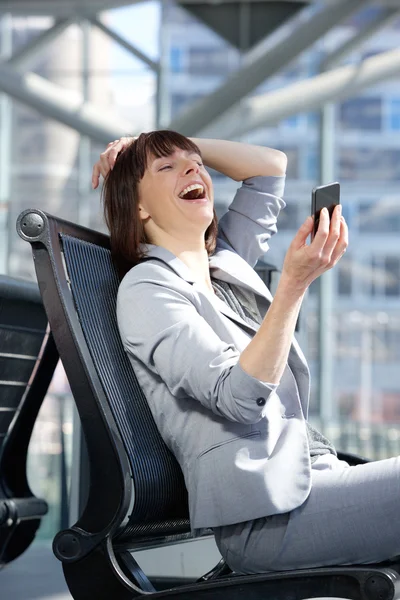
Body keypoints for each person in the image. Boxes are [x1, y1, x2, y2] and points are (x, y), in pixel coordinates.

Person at [92, 131, 400, 574]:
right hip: (266, 518)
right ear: (138, 207)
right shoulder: (148, 290)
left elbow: (269, 168)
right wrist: (293, 285)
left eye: (196, 163)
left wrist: (158, 143)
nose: (193, 170)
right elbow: (239, 397)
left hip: (313, 482)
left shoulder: (225, 264)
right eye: (167, 168)